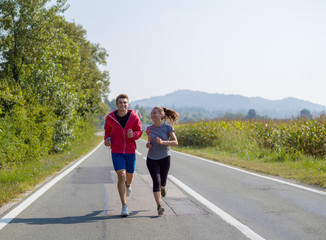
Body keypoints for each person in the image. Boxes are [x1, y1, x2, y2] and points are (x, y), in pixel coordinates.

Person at [104, 94, 142, 217]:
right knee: (121, 175)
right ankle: (124, 205)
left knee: (129, 177)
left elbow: (139, 131)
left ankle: (128, 185)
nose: (123, 104)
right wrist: (107, 140)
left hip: (130, 151)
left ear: (128, 104)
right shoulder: (110, 117)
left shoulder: (134, 117)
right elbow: (107, 131)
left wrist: (134, 135)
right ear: (116, 105)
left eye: (125, 102)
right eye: (120, 102)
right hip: (116, 151)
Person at [145, 106, 179, 216]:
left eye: (155, 113)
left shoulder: (168, 128)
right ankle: (159, 205)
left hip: (165, 158)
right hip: (151, 159)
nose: (152, 115)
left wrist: (163, 142)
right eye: (151, 113)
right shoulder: (149, 129)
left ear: (161, 115)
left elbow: (175, 142)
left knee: (162, 183)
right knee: (156, 181)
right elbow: (149, 142)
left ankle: (163, 188)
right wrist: (148, 144)